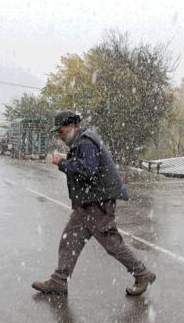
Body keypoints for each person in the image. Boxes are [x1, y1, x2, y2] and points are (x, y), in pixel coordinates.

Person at [32, 110, 156, 296]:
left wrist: (62, 163)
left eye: (61, 131)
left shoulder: (86, 142)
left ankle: (142, 273)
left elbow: (88, 170)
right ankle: (59, 281)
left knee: (112, 244)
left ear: (73, 126)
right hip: (87, 205)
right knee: (69, 240)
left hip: (98, 205)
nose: (60, 135)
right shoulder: (81, 141)